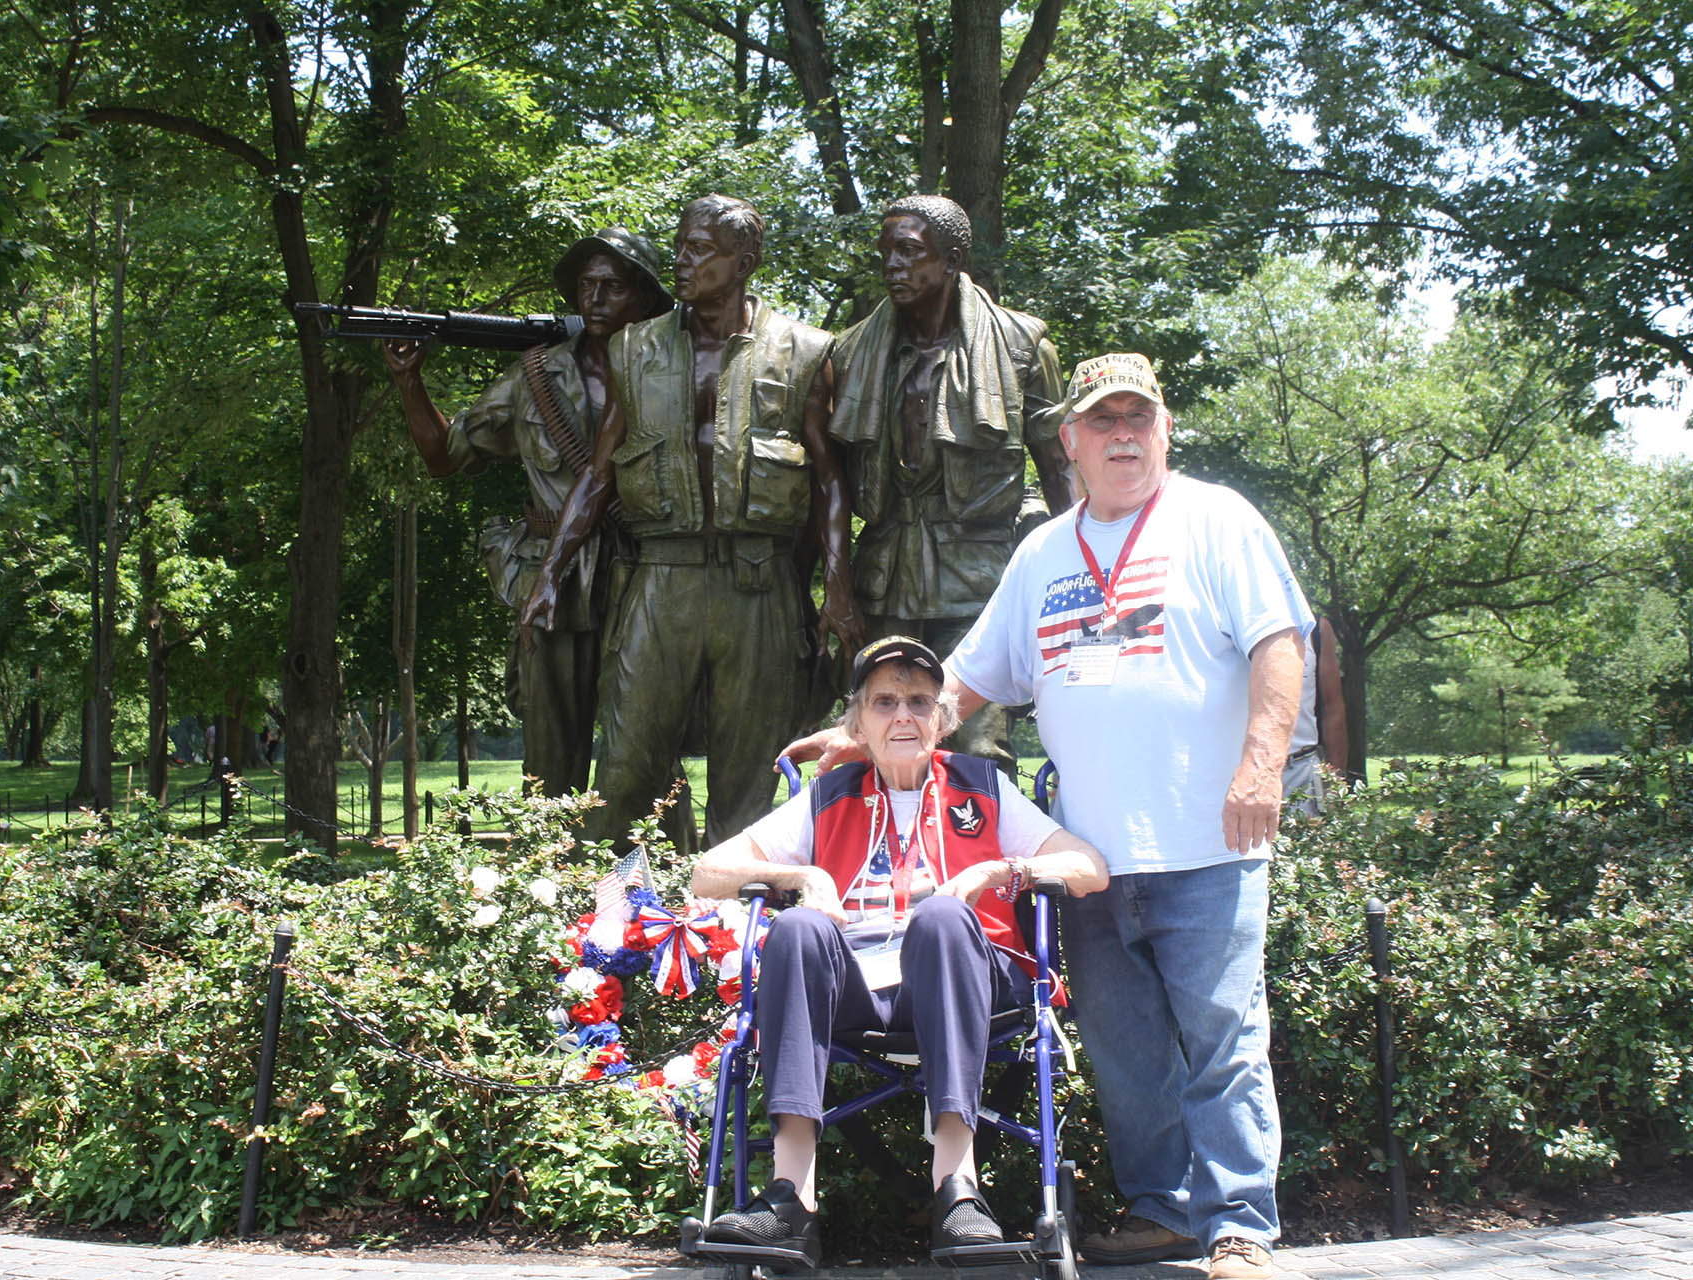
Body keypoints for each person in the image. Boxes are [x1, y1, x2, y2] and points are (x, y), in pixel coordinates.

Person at [786, 353, 1311, 1279]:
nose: (1120, 437)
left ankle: (1238, 1224)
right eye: (1100, 422)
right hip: (1091, 856)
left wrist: (1262, 766)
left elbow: (1280, 642)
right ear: (1067, 441)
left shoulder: (1216, 521)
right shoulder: (1044, 553)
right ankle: (1163, 1211)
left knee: (1223, 1035)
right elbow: (967, 679)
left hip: (1207, 841)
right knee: (1126, 1050)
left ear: (1164, 430)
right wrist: (864, 736)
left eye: (1136, 420)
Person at [692, 636, 1108, 1266]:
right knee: (800, 930)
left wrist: (1001, 873)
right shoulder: (831, 795)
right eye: (884, 702)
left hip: (961, 975)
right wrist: (803, 879)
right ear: (857, 724)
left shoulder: (982, 786)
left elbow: (1090, 868)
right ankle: (789, 1199)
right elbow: (708, 872)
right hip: (856, 988)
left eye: (919, 701)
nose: (903, 716)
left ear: (941, 719)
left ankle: (957, 1190)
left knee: (942, 916)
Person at [522, 195, 865, 846]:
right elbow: (598, 474)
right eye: (680, 245)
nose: (682, 261)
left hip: (759, 589)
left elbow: (828, 478)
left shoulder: (804, 352)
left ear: (745, 262)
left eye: (700, 249)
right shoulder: (635, 349)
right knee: (624, 765)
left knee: (751, 777)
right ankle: (617, 927)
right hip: (661, 582)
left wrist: (838, 590)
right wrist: (548, 573)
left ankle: (743, 931)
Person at [385, 227, 673, 797]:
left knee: (647, 747)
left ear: (642, 298)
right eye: (586, 285)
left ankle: (657, 876)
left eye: (612, 287)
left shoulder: (674, 376)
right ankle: (548, 874)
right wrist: (409, 382)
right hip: (555, 579)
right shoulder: (534, 378)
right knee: (550, 756)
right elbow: (446, 456)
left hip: (647, 573)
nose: (594, 298)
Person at [828, 195, 1076, 768]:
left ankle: (987, 856)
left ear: (952, 258)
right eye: (886, 251)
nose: (892, 264)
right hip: (886, 577)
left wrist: (1078, 581)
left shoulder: (1020, 346)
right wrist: (835, 587)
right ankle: (886, 856)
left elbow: (1058, 466)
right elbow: (831, 481)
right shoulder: (854, 351)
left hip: (980, 582)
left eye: (910, 251)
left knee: (976, 745)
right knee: (876, 739)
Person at [1282, 615, 1349, 812]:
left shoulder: (1315, 627)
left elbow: (1333, 706)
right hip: (1234, 772)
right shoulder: (1218, 619)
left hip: (1301, 772)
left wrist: (1335, 784)